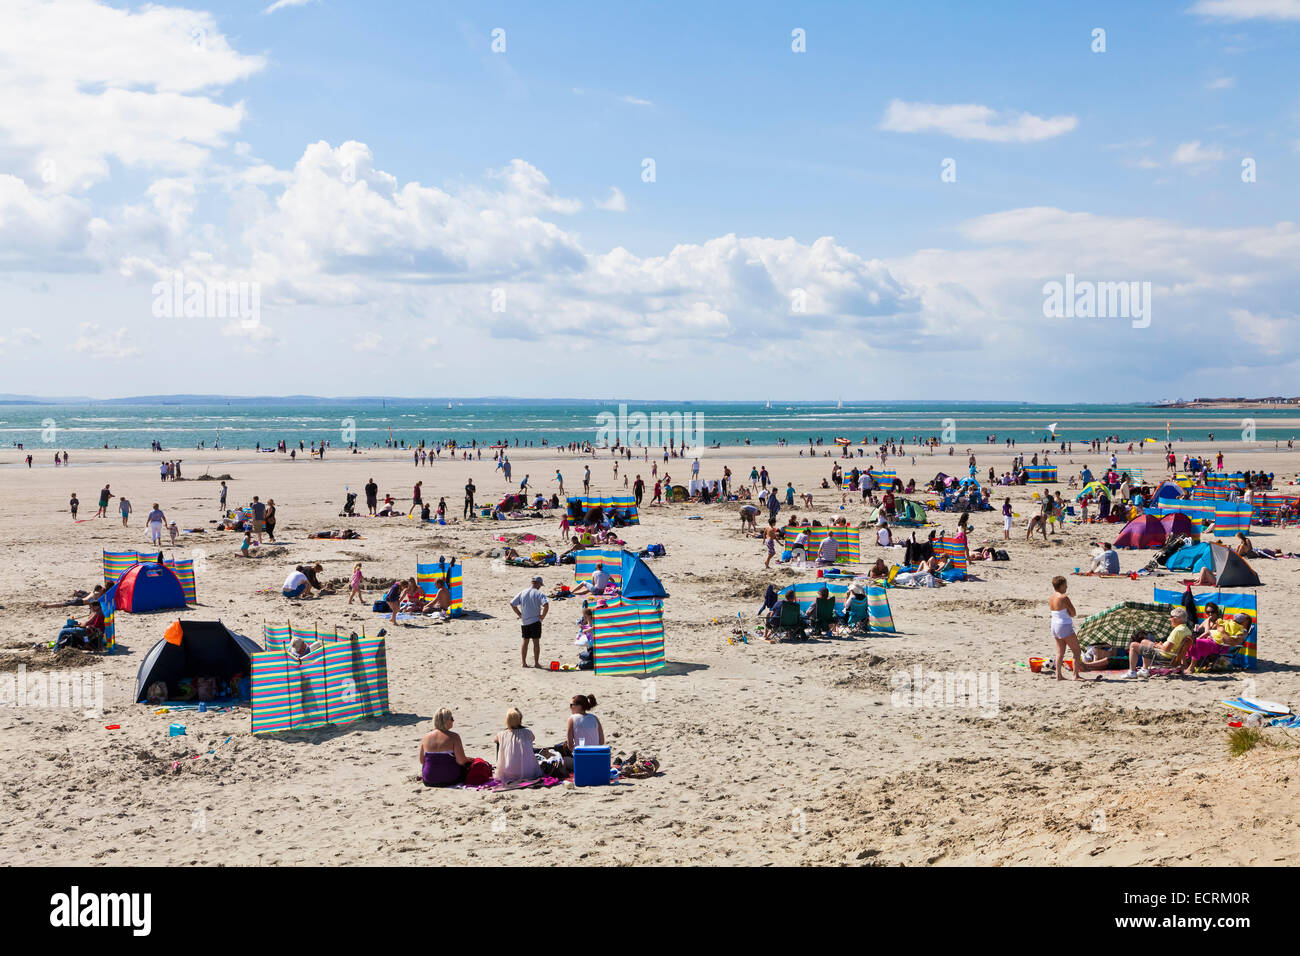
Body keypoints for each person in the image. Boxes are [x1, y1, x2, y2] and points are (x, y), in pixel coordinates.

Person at [1124, 606, 1192, 678]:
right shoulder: (1186, 630)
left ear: (1178, 618)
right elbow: (1173, 646)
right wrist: (1161, 645)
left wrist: (1158, 646)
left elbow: (1166, 649)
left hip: (1165, 655)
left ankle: (1132, 672)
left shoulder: (1177, 631)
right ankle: (1144, 670)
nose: (1170, 619)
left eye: (1171, 617)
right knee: (1144, 642)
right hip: (1172, 654)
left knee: (1133, 645)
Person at [420, 709, 472, 787]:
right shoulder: (454, 737)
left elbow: (422, 761)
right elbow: (461, 761)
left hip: (429, 780)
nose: (453, 720)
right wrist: (468, 759)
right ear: (446, 721)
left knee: (429, 760)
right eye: (451, 718)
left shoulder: (425, 737)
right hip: (451, 779)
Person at [1049, 576, 1085, 682]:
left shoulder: (1051, 597)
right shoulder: (1063, 597)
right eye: (1065, 585)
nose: (1067, 587)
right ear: (1060, 586)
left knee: (1060, 652)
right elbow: (1073, 612)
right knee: (1077, 651)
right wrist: (1069, 613)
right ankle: (1075, 675)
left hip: (1054, 625)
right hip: (1064, 625)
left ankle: (1058, 675)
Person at [510, 575, 550, 668]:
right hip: (535, 621)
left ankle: (524, 663)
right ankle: (536, 663)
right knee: (536, 643)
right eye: (540, 585)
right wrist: (543, 616)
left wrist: (519, 614)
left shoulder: (523, 592)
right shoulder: (539, 594)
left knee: (525, 642)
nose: (540, 586)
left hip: (525, 621)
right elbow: (546, 605)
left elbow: (512, 603)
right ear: (538, 584)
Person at [494, 708, 541, 784]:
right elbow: (533, 738)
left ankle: (501, 765)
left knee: (499, 743)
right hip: (528, 772)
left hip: (508, 773)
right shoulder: (527, 732)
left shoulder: (502, 734)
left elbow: (495, 740)